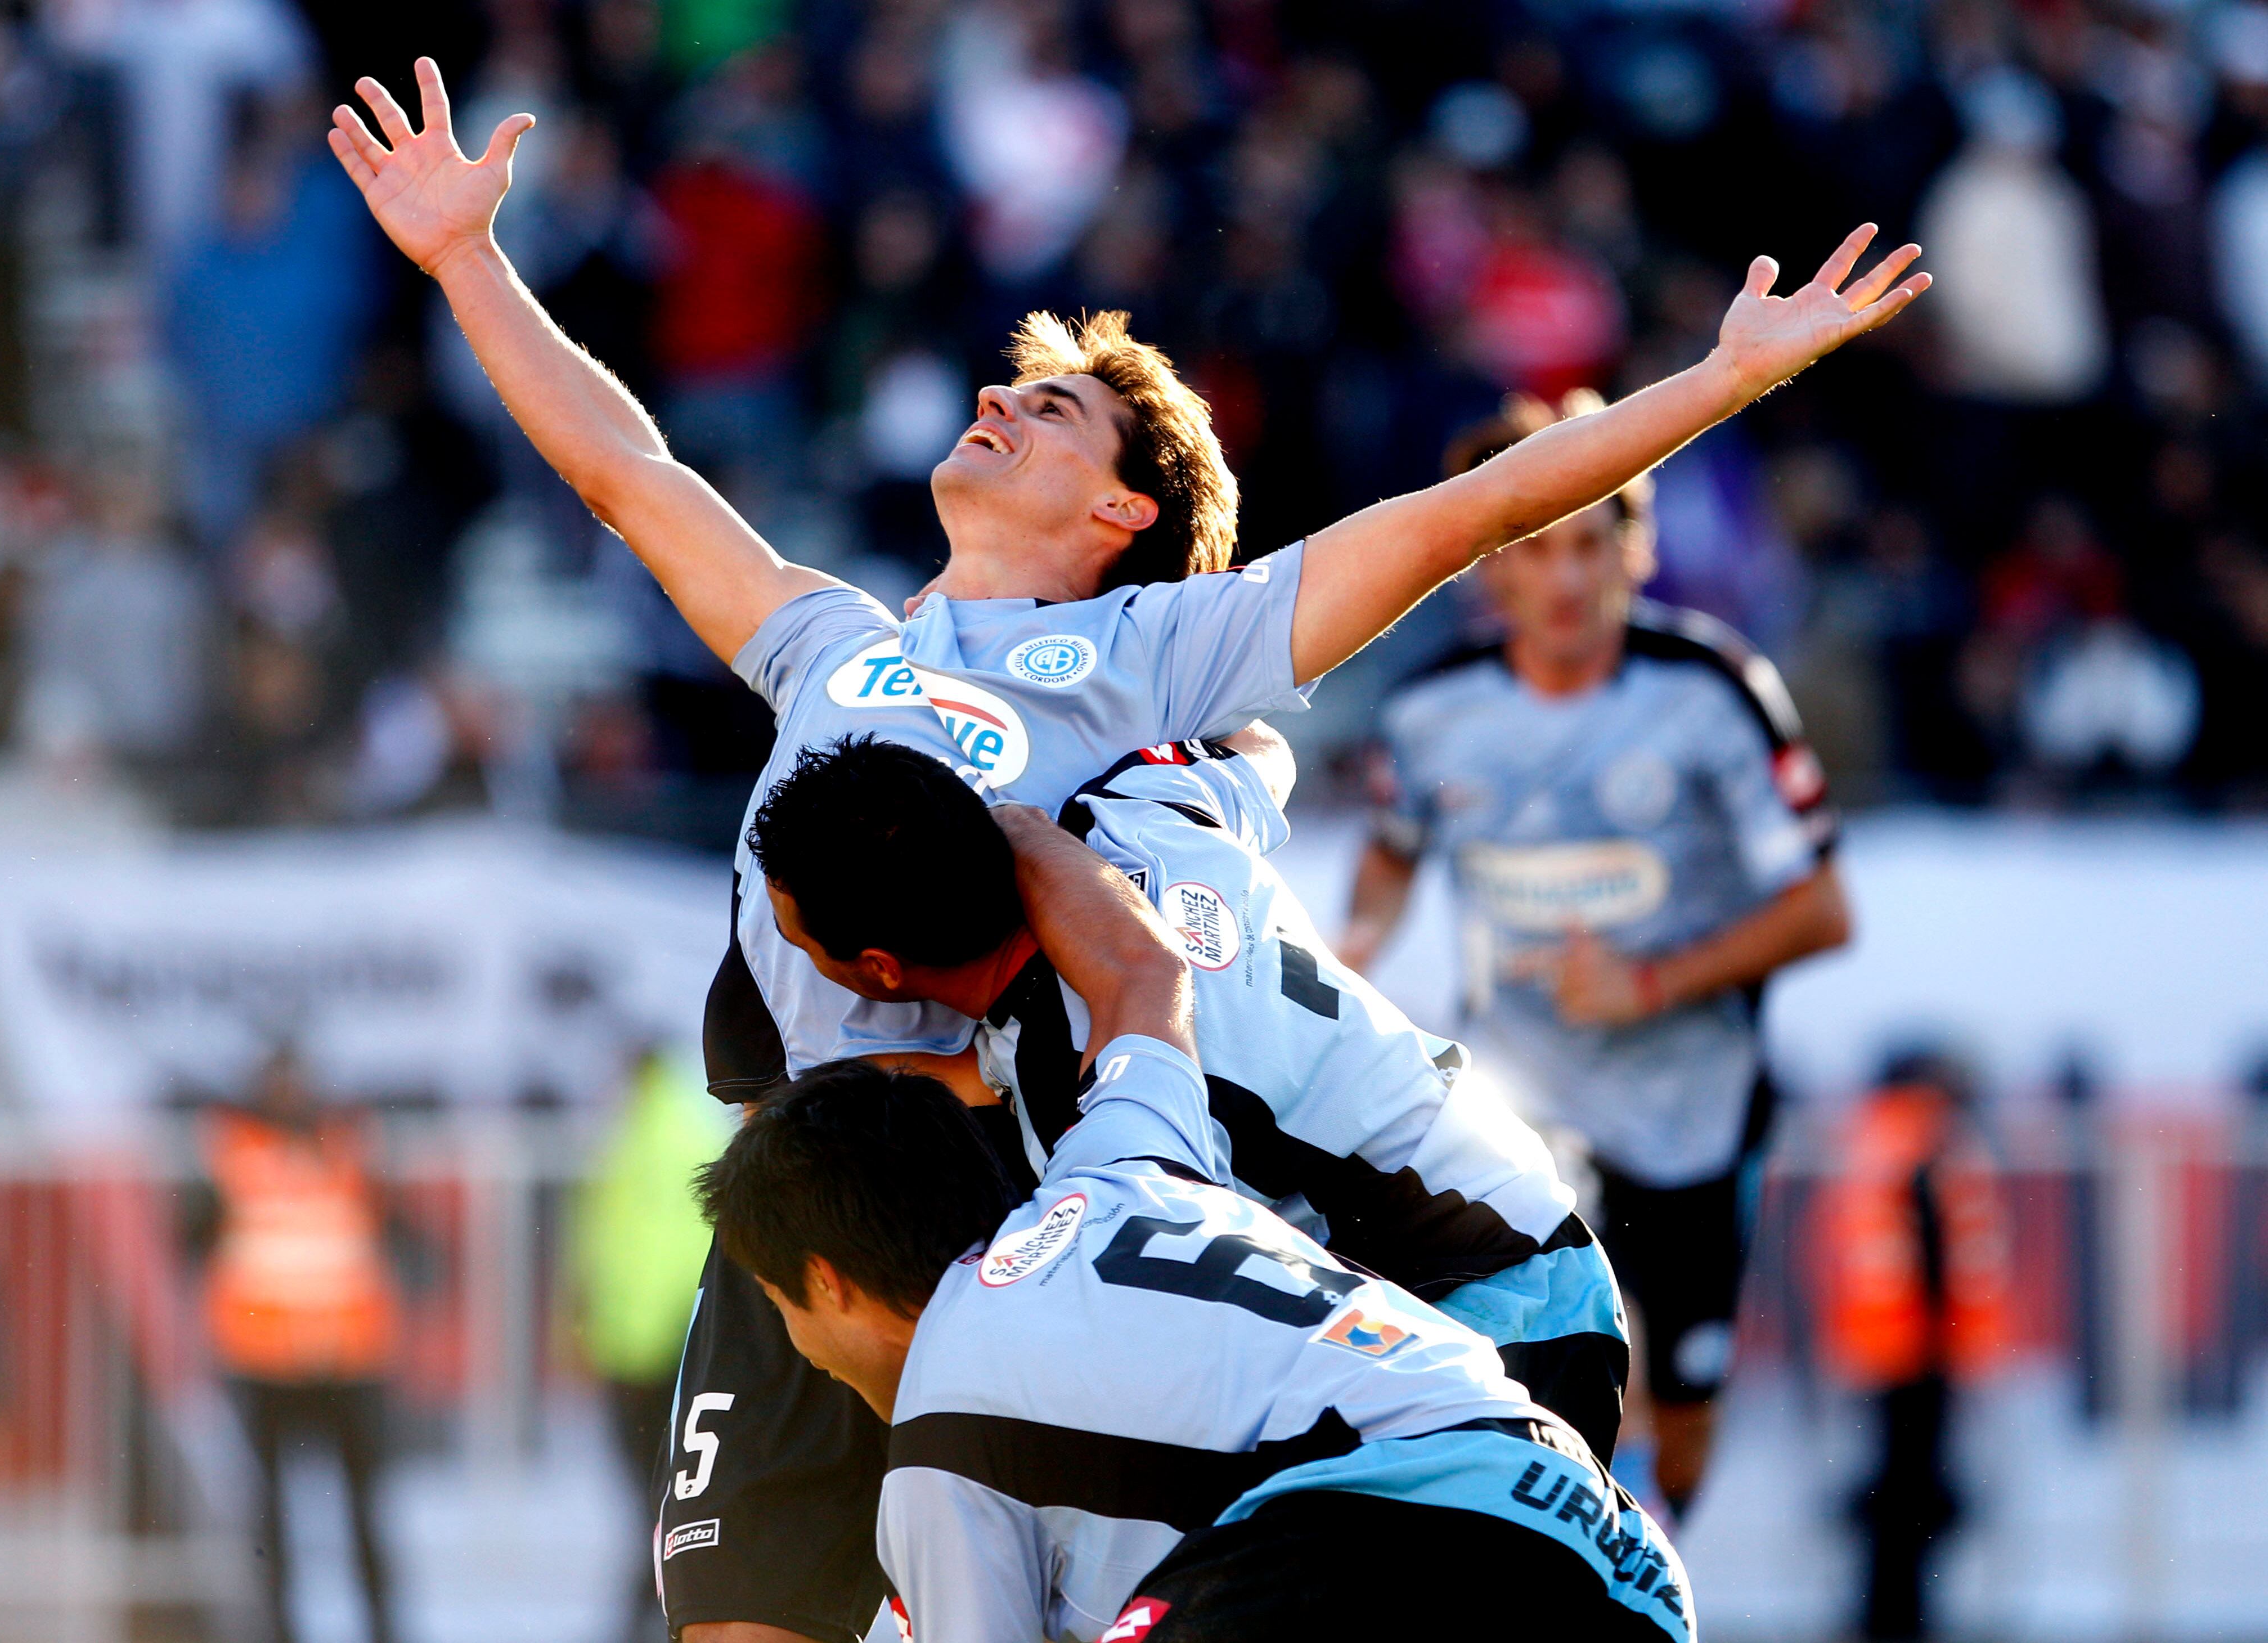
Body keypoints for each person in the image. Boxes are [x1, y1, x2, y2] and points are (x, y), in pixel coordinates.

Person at [329, 59, 1923, 1642]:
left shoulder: (1151, 652)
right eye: (1005, 389)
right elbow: (628, 472)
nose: (995, 402)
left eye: (1053, 408)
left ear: (1125, 519)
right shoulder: (827, 641)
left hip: (978, 1217)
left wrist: (1720, 382)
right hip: (799, 1183)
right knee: (738, 1627)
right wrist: (471, 258)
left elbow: (1464, 520)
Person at [697, 802, 1691, 1643]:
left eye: (781, 1310)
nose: (802, 1355)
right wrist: (991, 816)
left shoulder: (939, 1430)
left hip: (1395, 1503)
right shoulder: (1123, 1162)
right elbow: (1143, 974)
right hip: (1610, 1546)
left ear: (826, 1281)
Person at [748, 730, 1627, 1460]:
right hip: (1512, 1226)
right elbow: (1262, 748)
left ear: (880, 971)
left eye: (794, 937)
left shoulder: (1100, 1106)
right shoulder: (1132, 808)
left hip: (1483, 1310)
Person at [1339, 393, 1853, 1520]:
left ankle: (1652, 1558)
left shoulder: (1714, 690)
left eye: (1590, 542)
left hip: (1690, 1108)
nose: (1566, 579)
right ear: (1488, 571)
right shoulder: (1430, 713)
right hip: (1522, 1109)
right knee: (1525, 1386)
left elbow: (1825, 909)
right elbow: (1391, 851)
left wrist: (1654, 980)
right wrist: (1357, 945)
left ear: (1636, 549)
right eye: (1534, 548)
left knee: (1685, 1424)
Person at [189, 1045, 401, 1643]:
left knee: (364, 1515)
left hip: (348, 1356)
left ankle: (383, 1626)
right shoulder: (234, 1148)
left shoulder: (349, 1145)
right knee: (273, 1520)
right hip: (266, 1358)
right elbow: (196, 1235)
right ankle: (279, 1629)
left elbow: (390, 1224)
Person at [1814, 1053, 2007, 1642]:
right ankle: (1900, 1620)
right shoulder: (1926, 1143)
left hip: (1881, 1348)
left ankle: (1886, 1615)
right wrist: (1954, 1349)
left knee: (1894, 1498)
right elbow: (1937, 1257)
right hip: (1919, 1353)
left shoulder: (1876, 1139)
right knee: (1911, 1502)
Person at [569, 1051, 733, 1643]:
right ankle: (654, 1612)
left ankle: (652, 1614)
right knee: (657, 1503)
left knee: (663, 1504)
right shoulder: (650, 1126)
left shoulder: (664, 1131)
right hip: (645, 1346)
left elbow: (661, 1246)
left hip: (651, 1351)